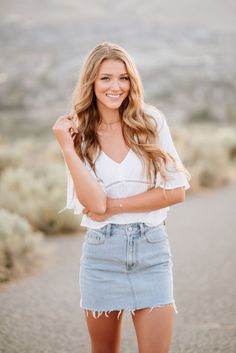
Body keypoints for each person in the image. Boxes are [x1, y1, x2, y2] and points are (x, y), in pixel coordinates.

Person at [52, 42, 191, 353]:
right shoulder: (79, 132)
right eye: (105, 78)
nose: (116, 87)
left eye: (123, 77)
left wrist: (115, 206)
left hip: (151, 251)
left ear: (133, 81)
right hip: (101, 255)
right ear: (91, 81)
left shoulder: (151, 121)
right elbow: (94, 204)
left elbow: (176, 191)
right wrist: (66, 148)